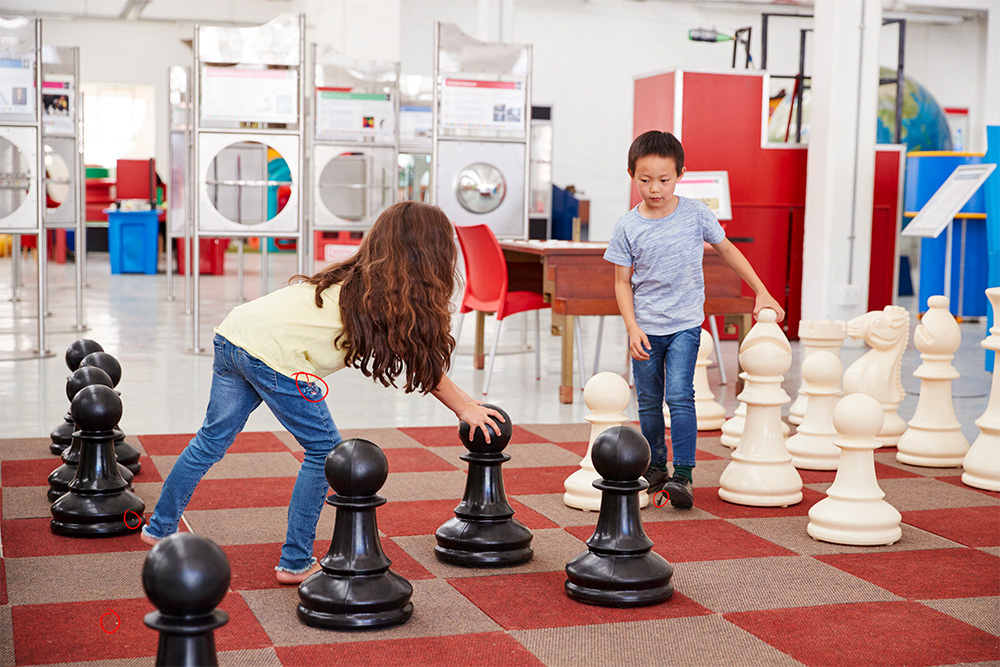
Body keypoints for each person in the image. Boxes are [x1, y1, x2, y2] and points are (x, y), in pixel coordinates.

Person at [142, 201, 503, 584]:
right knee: (323, 452)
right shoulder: (384, 299)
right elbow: (422, 367)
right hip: (273, 355)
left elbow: (422, 364)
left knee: (211, 439)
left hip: (234, 333)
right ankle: (295, 562)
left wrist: (466, 402)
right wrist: (462, 408)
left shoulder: (356, 280)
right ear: (433, 255)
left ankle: (160, 527)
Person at [604, 130, 784, 509]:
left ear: (681, 174)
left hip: (686, 324)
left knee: (680, 397)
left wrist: (762, 290)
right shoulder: (627, 226)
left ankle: (683, 473)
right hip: (646, 328)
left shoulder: (696, 213)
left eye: (664, 180)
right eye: (645, 180)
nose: (655, 189)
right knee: (649, 402)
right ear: (630, 174)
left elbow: (728, 250)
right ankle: (655, 467)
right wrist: (632, 327)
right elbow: (622, 282)